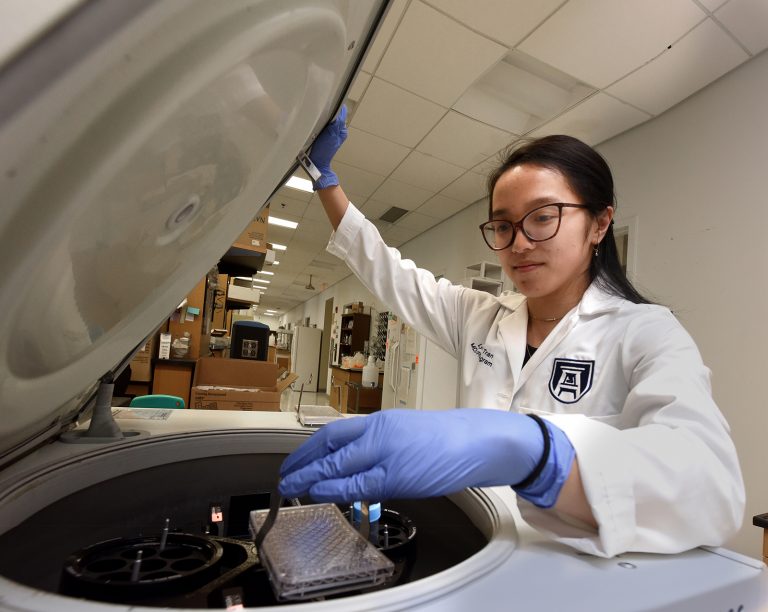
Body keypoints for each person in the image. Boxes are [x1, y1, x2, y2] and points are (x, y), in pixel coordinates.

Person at [278, 106, 744, 558]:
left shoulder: (645, 332)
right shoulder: (479, 316)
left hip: (567, 576)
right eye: (504, 225)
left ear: (600, 223)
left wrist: (540, 454)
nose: (519, 243)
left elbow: (712, 488)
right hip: (474, 550)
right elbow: (388, 270)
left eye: (543, 217)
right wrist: (326, 182)